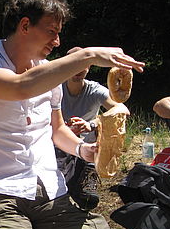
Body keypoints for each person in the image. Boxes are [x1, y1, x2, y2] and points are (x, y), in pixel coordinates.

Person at [0, 0, 145, 229]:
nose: (57, 41)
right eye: (51, 31)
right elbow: (21, 87)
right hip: (1, 193)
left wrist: (84, 149)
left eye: (59, 34)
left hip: (51, 193)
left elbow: (57, 129)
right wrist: (86, 54)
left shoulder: (48, 73)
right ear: (25, 26)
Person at [56, 46, 131, 210]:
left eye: (83, 64)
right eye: (73, 64)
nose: (78, 70)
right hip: (58, 144)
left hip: (89, 148)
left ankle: (89, 173)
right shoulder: (54, 89)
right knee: (56, 193)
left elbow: (122, 110)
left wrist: (91, 125)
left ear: (89, 67)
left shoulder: (95, 90)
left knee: (87, 199)